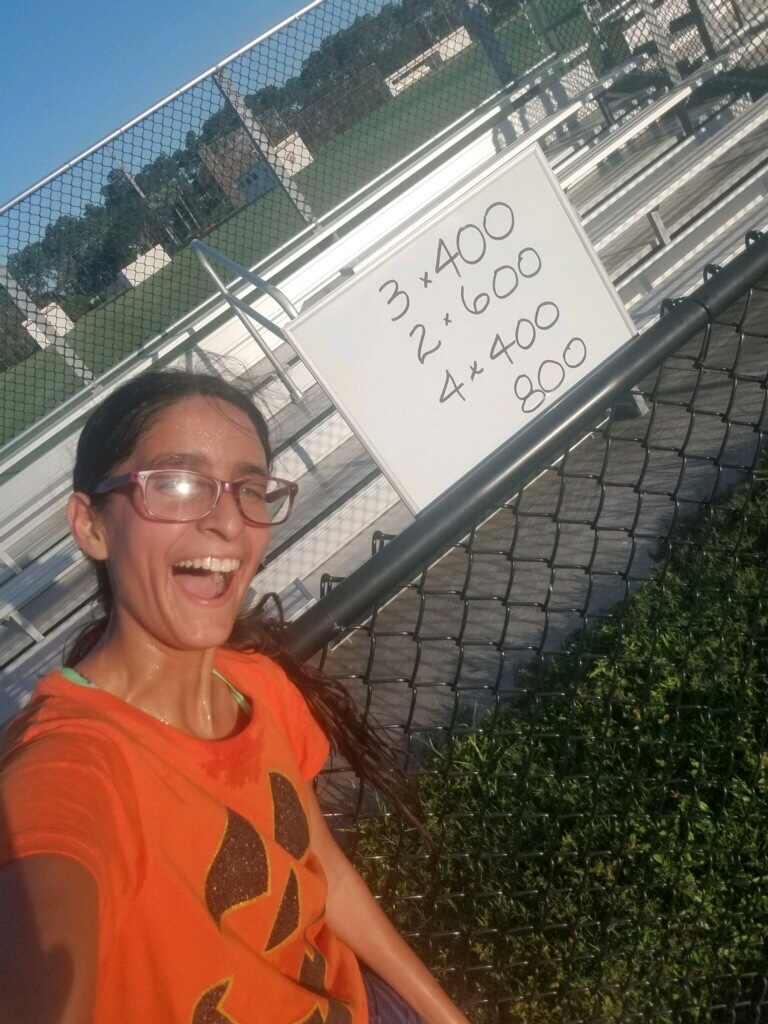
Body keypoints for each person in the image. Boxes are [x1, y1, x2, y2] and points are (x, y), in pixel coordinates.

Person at [0, 370, 470, 1024]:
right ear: (91, 525)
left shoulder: (257, 684)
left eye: (249, 489)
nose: (227, 521)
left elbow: (323, 872)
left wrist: (445, 1015)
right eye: (176, 483)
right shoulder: (68, 765)